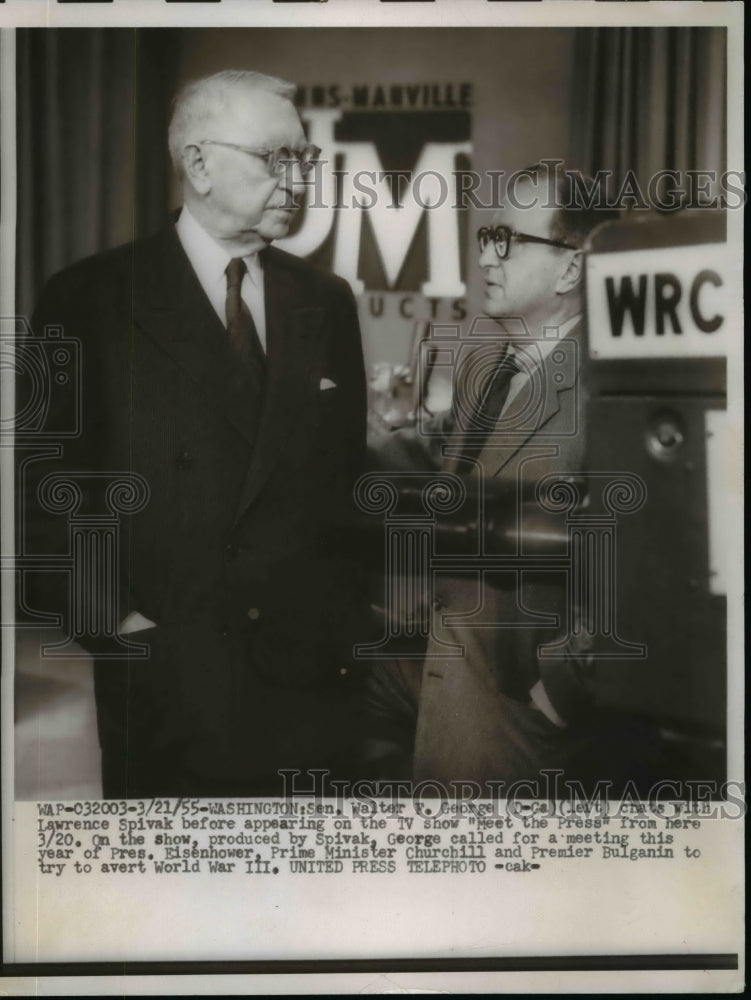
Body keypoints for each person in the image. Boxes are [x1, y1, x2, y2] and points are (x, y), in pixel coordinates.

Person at [26, 70, 368, 797]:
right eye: (274, 157)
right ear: (200, 164)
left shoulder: (325, 301)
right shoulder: (87, 297)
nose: (297, 179)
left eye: (303, 159)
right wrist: (115, 623)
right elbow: (52, 486)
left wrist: (342, 627)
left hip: (307, 674)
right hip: (166, 668)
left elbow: (346, 482)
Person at [368, 163, 664, 792]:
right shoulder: (492, 368)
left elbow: (649, 568)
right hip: (441, 661)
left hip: (518, 708)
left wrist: (557, 691)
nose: (488, 257)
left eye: (511, 241)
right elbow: (431, 462)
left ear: (570, 267)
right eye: (488, 239)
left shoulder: (610, 390)